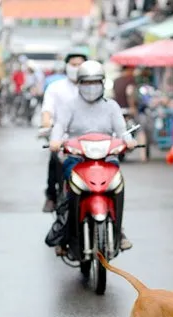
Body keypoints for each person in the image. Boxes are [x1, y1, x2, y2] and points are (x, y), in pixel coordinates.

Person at [47, 60, 136, 257]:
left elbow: (122, 131)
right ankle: (65, 232)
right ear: (79, 83)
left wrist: (128, 141)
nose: (91, 87)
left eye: (95, 82)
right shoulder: (69, 106)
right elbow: (59, 127)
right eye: (86, 82)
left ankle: (118, 230)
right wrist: (55, 141)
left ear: (103, 83)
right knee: (69, 190)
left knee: (118, 185)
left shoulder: (111, 106)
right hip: (77, 158)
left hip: (106, 158)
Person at [38, 51, 88, 212]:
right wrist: (46, 123)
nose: (77, 68)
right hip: (63, 139)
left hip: (91, 139)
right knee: (55, 159)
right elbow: (47, 110)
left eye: (80, 64)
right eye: (73, 64)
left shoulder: (94, 87)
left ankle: (117, 228)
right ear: (66, 66)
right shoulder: (56, 88)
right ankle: (51, 196)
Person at [112, 66, 148, 162]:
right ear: (129, 70)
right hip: (128, 110)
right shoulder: (130, 80)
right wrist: (132, 107)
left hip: (118, 110)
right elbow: (130, 92)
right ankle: (143, 155)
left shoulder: (116, 81)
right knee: (141, 129)